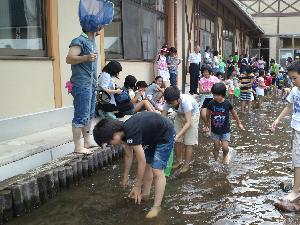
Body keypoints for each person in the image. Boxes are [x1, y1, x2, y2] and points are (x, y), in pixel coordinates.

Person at [93, 112, 175, 218]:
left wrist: (137, 186)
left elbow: (141, 161)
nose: (110, 145)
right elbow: (128, 155)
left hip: (165, 134)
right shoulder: (124, 133)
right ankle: (145, 194)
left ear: (114, 134)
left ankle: (156, 206)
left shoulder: (131, 131)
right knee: (148, 166)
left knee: (157, 170)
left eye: (109, 142)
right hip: (152, 136)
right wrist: (125, 176)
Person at [66, 28, 101, 154]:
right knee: (80, 116)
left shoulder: (91, 42)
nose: (101, 27)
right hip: (81, 84)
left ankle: (87, 140)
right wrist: (85, 57)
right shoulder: (79, 40)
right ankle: (77, 146)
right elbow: (69, 58)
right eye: (99, 25)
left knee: (90, 114)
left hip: (90, 83)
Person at [272, 61, 300, 202]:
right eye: (291, 78)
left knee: (297, 160)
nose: (292, 81)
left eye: (295, 78)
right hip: (296, 128)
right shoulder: (294, 91)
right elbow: (289, 107)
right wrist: (277, 120)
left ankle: (295, 191)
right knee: (296, 158)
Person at [162, 86, 200, 173]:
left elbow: (188, 122)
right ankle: (179, 161)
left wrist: (178, 134)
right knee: (176, 140)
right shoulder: (168, 101)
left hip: (192, 116)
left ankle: (186, 165)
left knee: (188, 142)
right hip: (179, 114)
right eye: (168, 103)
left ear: (178, 99)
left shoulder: (185, 102)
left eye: (172, 103)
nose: (170, 104)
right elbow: (162, 118)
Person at [206, 83, 245, 164]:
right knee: (216, 146)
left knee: (224, 147)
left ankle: (225, 155)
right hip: (214, 130)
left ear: (223, 95)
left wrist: (239, 123)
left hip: (225, 130)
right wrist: (207, 123)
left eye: (217, 95)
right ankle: (216, 160)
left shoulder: (227, 103)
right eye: (214, 95)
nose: (215, 97)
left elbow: (234, 114)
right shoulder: (211, 103)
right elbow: (208, 113)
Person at [199, 66, 220, 133]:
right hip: (204, 98)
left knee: (211, 114)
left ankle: (210, 128)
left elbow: (219, 87)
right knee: (203, 114)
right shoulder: (201, 80)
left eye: (207, 72)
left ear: (210, 72)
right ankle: (207, 124)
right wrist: (207, 91)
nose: (205, 73)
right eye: (204, 72)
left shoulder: (215, 79)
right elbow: (200, 91)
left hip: (213, 97)